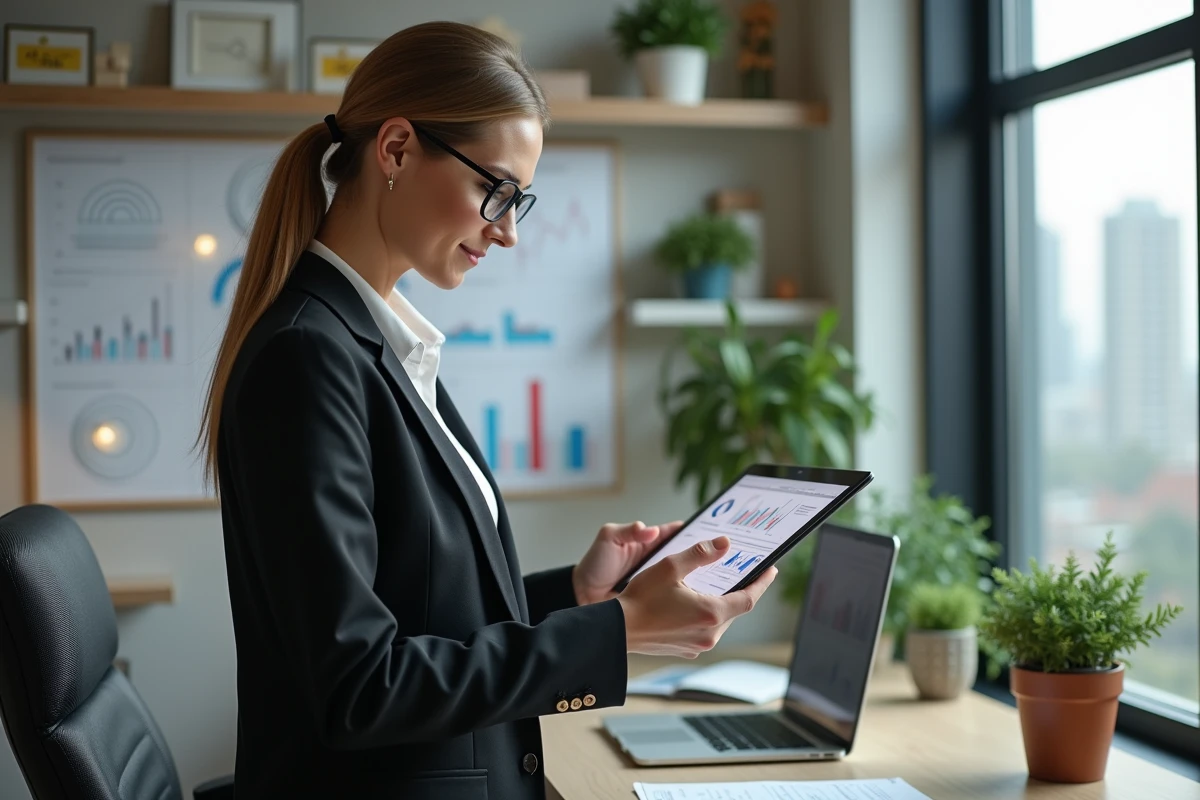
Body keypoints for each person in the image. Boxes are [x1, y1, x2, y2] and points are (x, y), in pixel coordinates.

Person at [196, 20, 776, 800]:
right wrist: (619, 631)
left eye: (519, 201)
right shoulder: (308, 358)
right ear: (396, 149)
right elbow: (361, 686)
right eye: (494, 190)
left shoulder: (376, 344)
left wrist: (576, 595)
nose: (505, 231)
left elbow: (417, 609)